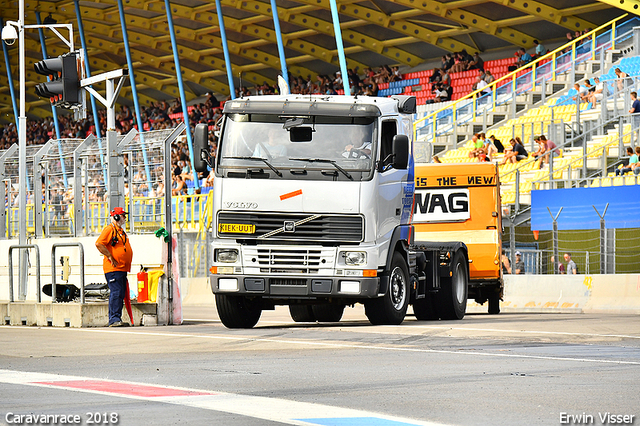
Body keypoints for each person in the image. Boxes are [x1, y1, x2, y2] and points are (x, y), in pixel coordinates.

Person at [95, 207, 133, 327]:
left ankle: (116, 318)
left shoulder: (120, 231)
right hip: (113, 269)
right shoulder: (109, 229)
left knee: (120, 293)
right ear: (116, 217)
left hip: (121, 268)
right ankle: (114, 319)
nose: (125, 218)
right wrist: (110, 256)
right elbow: (99, 243)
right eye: (122, 215)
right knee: (116, 293)